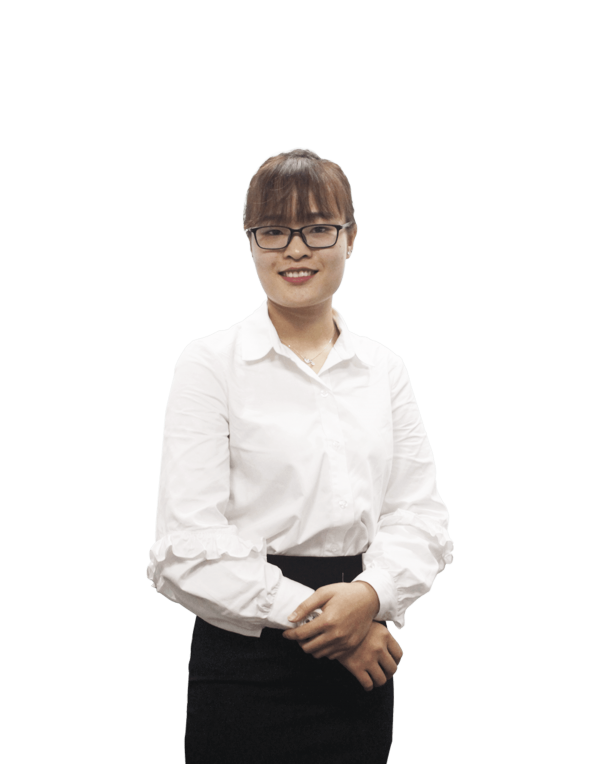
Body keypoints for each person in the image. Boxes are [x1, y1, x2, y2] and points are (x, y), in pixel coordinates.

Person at [146, 148, 454, 763]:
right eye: (273, 230)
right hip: (246, 652)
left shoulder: (384, 369)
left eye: (317, 228)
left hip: (362, 652)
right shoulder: (209, 364)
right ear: (250, 241)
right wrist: (330, 624)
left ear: (351, 237)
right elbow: (184, 543)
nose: (295, 250)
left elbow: (420, 516)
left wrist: (371, 596)